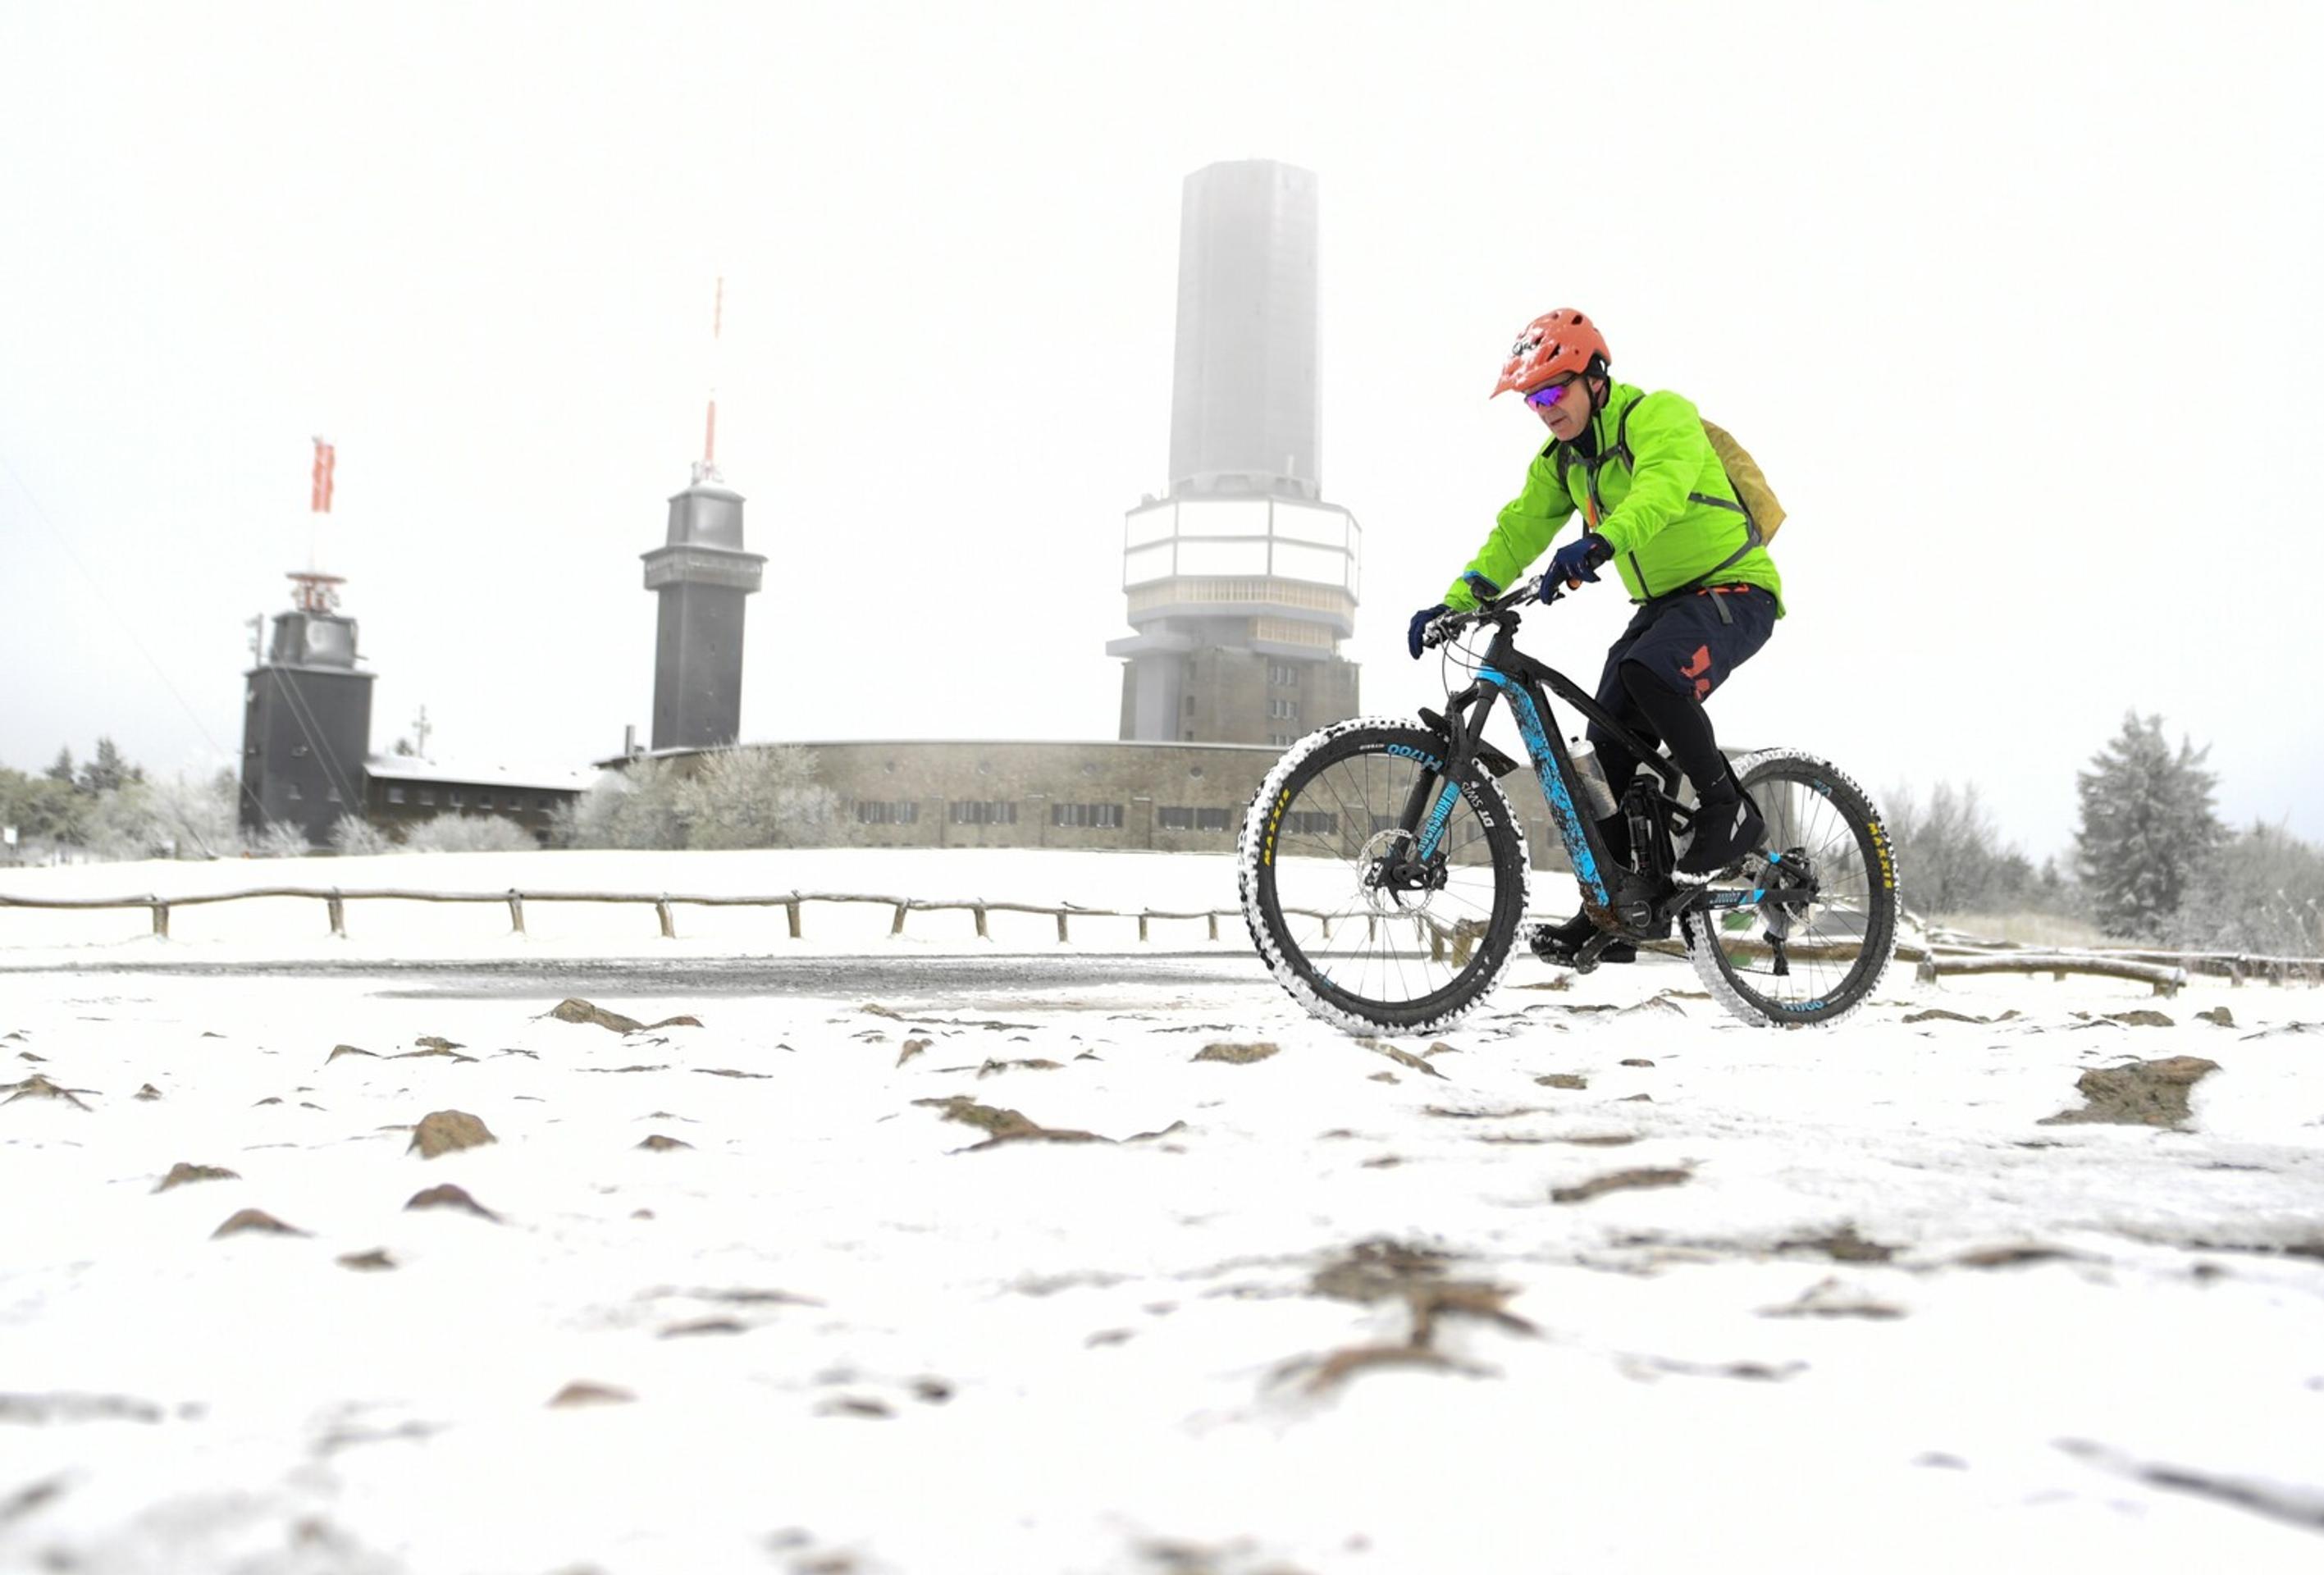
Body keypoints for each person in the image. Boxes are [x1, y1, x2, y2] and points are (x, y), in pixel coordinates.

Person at [1406, 308, 1783, 964]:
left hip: (1735, 589)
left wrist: (1601, 542)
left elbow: (1660, 492)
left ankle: (1729, 811)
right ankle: (1618, 910)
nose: (1544, 409)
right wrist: (1456, 599)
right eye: (1532, 399)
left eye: (1553, 391)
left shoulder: (1658, 415)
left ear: (1595, 379)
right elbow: (1517, 529)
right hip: (1665, 605)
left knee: (1649, 674)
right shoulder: (1561, 464)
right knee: (1602, 758)